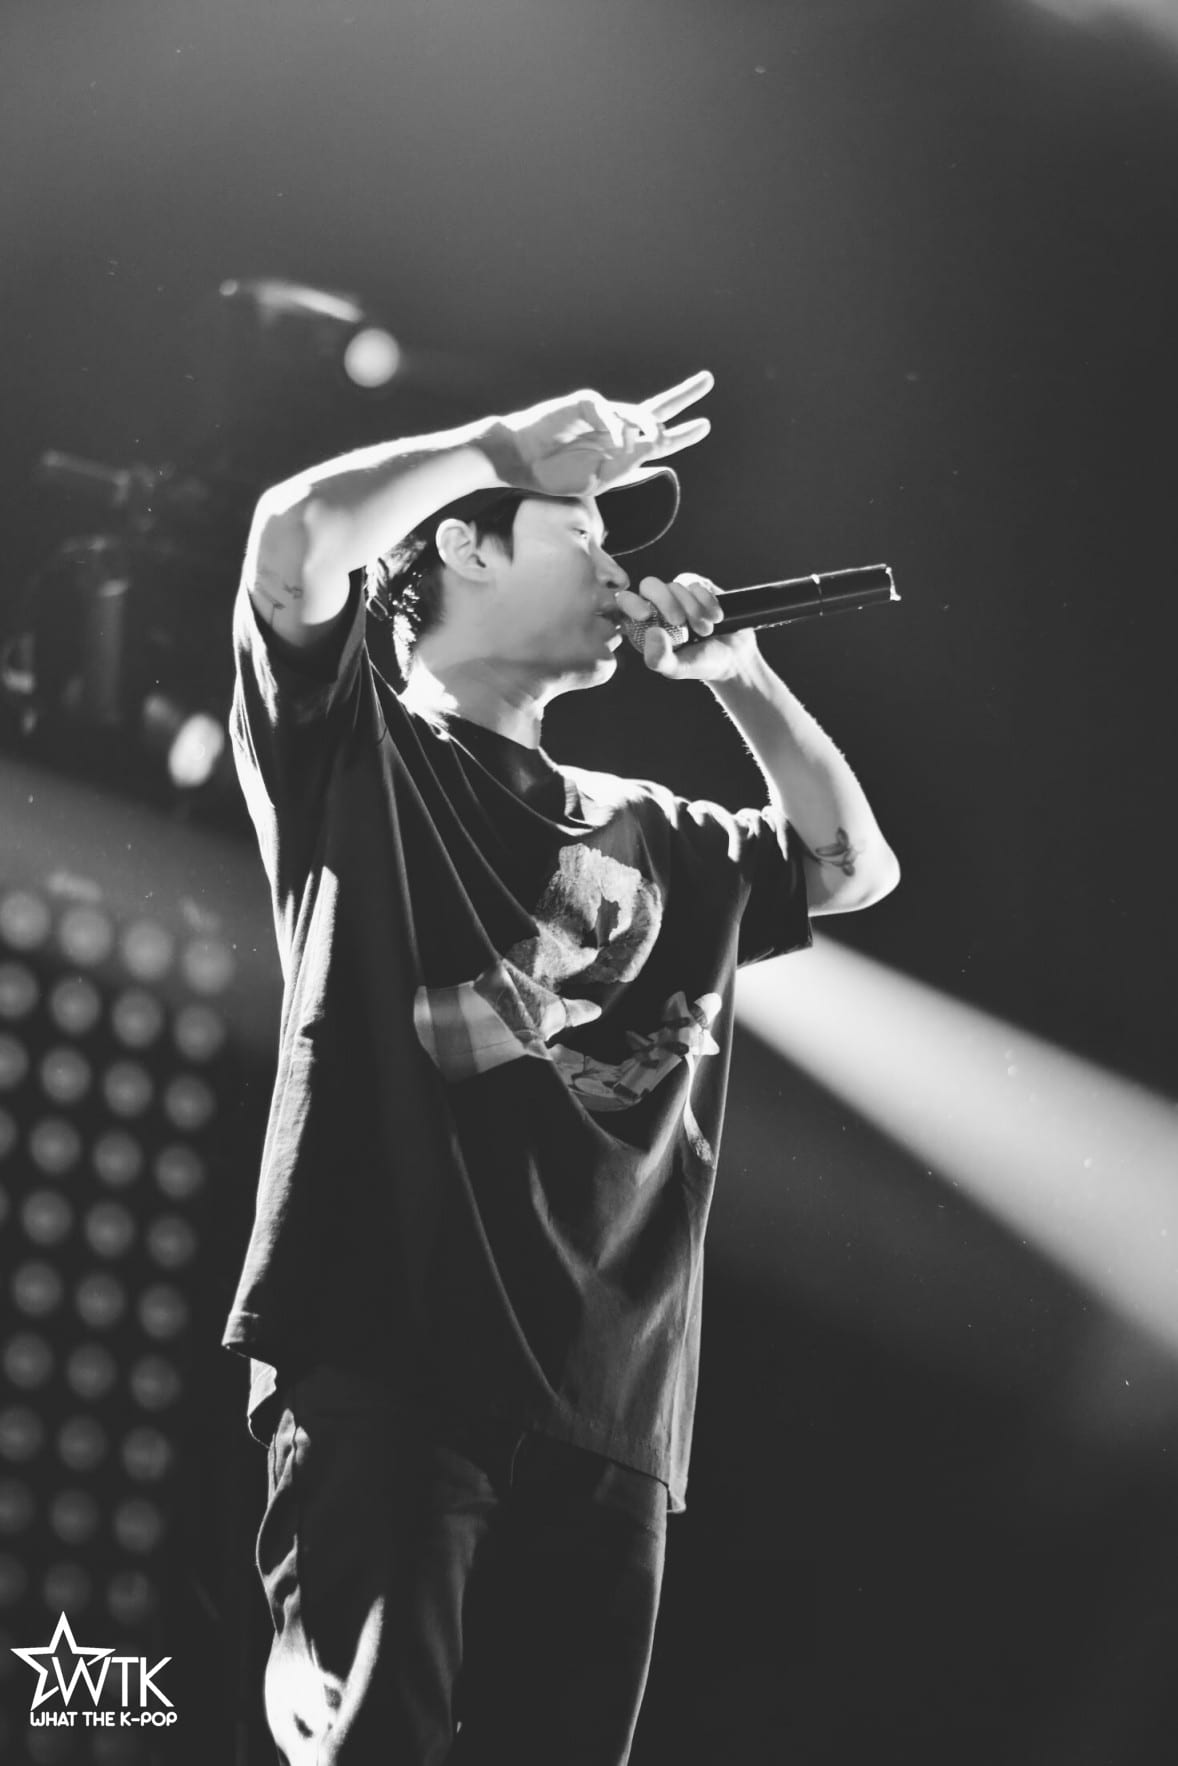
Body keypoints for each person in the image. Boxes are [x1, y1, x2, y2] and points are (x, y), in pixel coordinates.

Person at [226, 368, 899, 1765]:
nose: (614, 567)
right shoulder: (360, 751)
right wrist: (497, 444)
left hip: (609, 1413)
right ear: (465, 546)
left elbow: (851, 869)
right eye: (577, 530)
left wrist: (739, 677)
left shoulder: (661, 831)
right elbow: (290, 545)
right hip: (389, 1363)